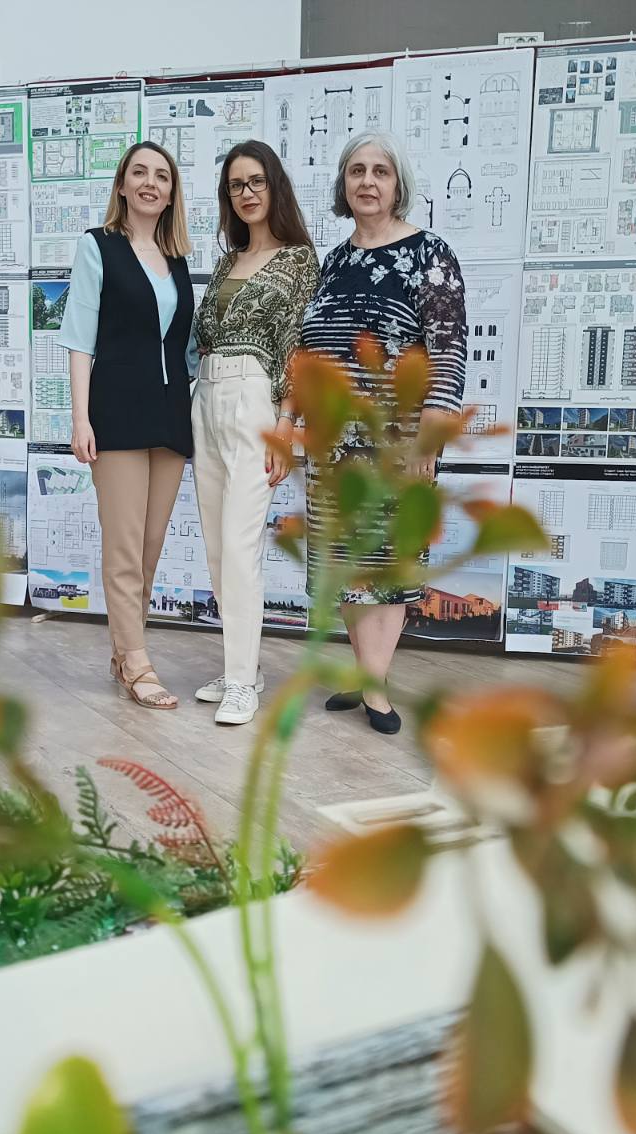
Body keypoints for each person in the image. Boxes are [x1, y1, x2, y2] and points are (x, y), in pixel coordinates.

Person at [297, 130, 466, 735]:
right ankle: (369, 673)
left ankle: (374, 686)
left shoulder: (429, 254)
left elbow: (448, 352)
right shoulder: (335, 261)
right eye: (357, 171)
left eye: (380, 172)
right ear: (343, 184)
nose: (367, 181)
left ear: (398, 185)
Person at [58, 141, 200, 710]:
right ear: (121, 185)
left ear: (171, 193)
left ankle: (124, 653)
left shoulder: (177, 260)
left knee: (149, 545)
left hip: (170, 415)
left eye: (161, 176)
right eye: (139, 172)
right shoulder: (98, 247)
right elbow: (79, 339)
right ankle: (138, 662)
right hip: (115, 413)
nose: (150, 183)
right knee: (122, 545)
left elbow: (185, 348)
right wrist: (80, 419)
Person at [189, 141, 319, 726]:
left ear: (275, 187)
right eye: (236, 184)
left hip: (257, 403)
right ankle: (242, 665)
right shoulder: (226, 262)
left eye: (256, 181)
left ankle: (242, 683)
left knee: (241, 547)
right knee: (218, 547)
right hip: (207, 399)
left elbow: (299, 348)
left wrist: (288, 424)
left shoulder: (299, 261)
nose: (246, 193)